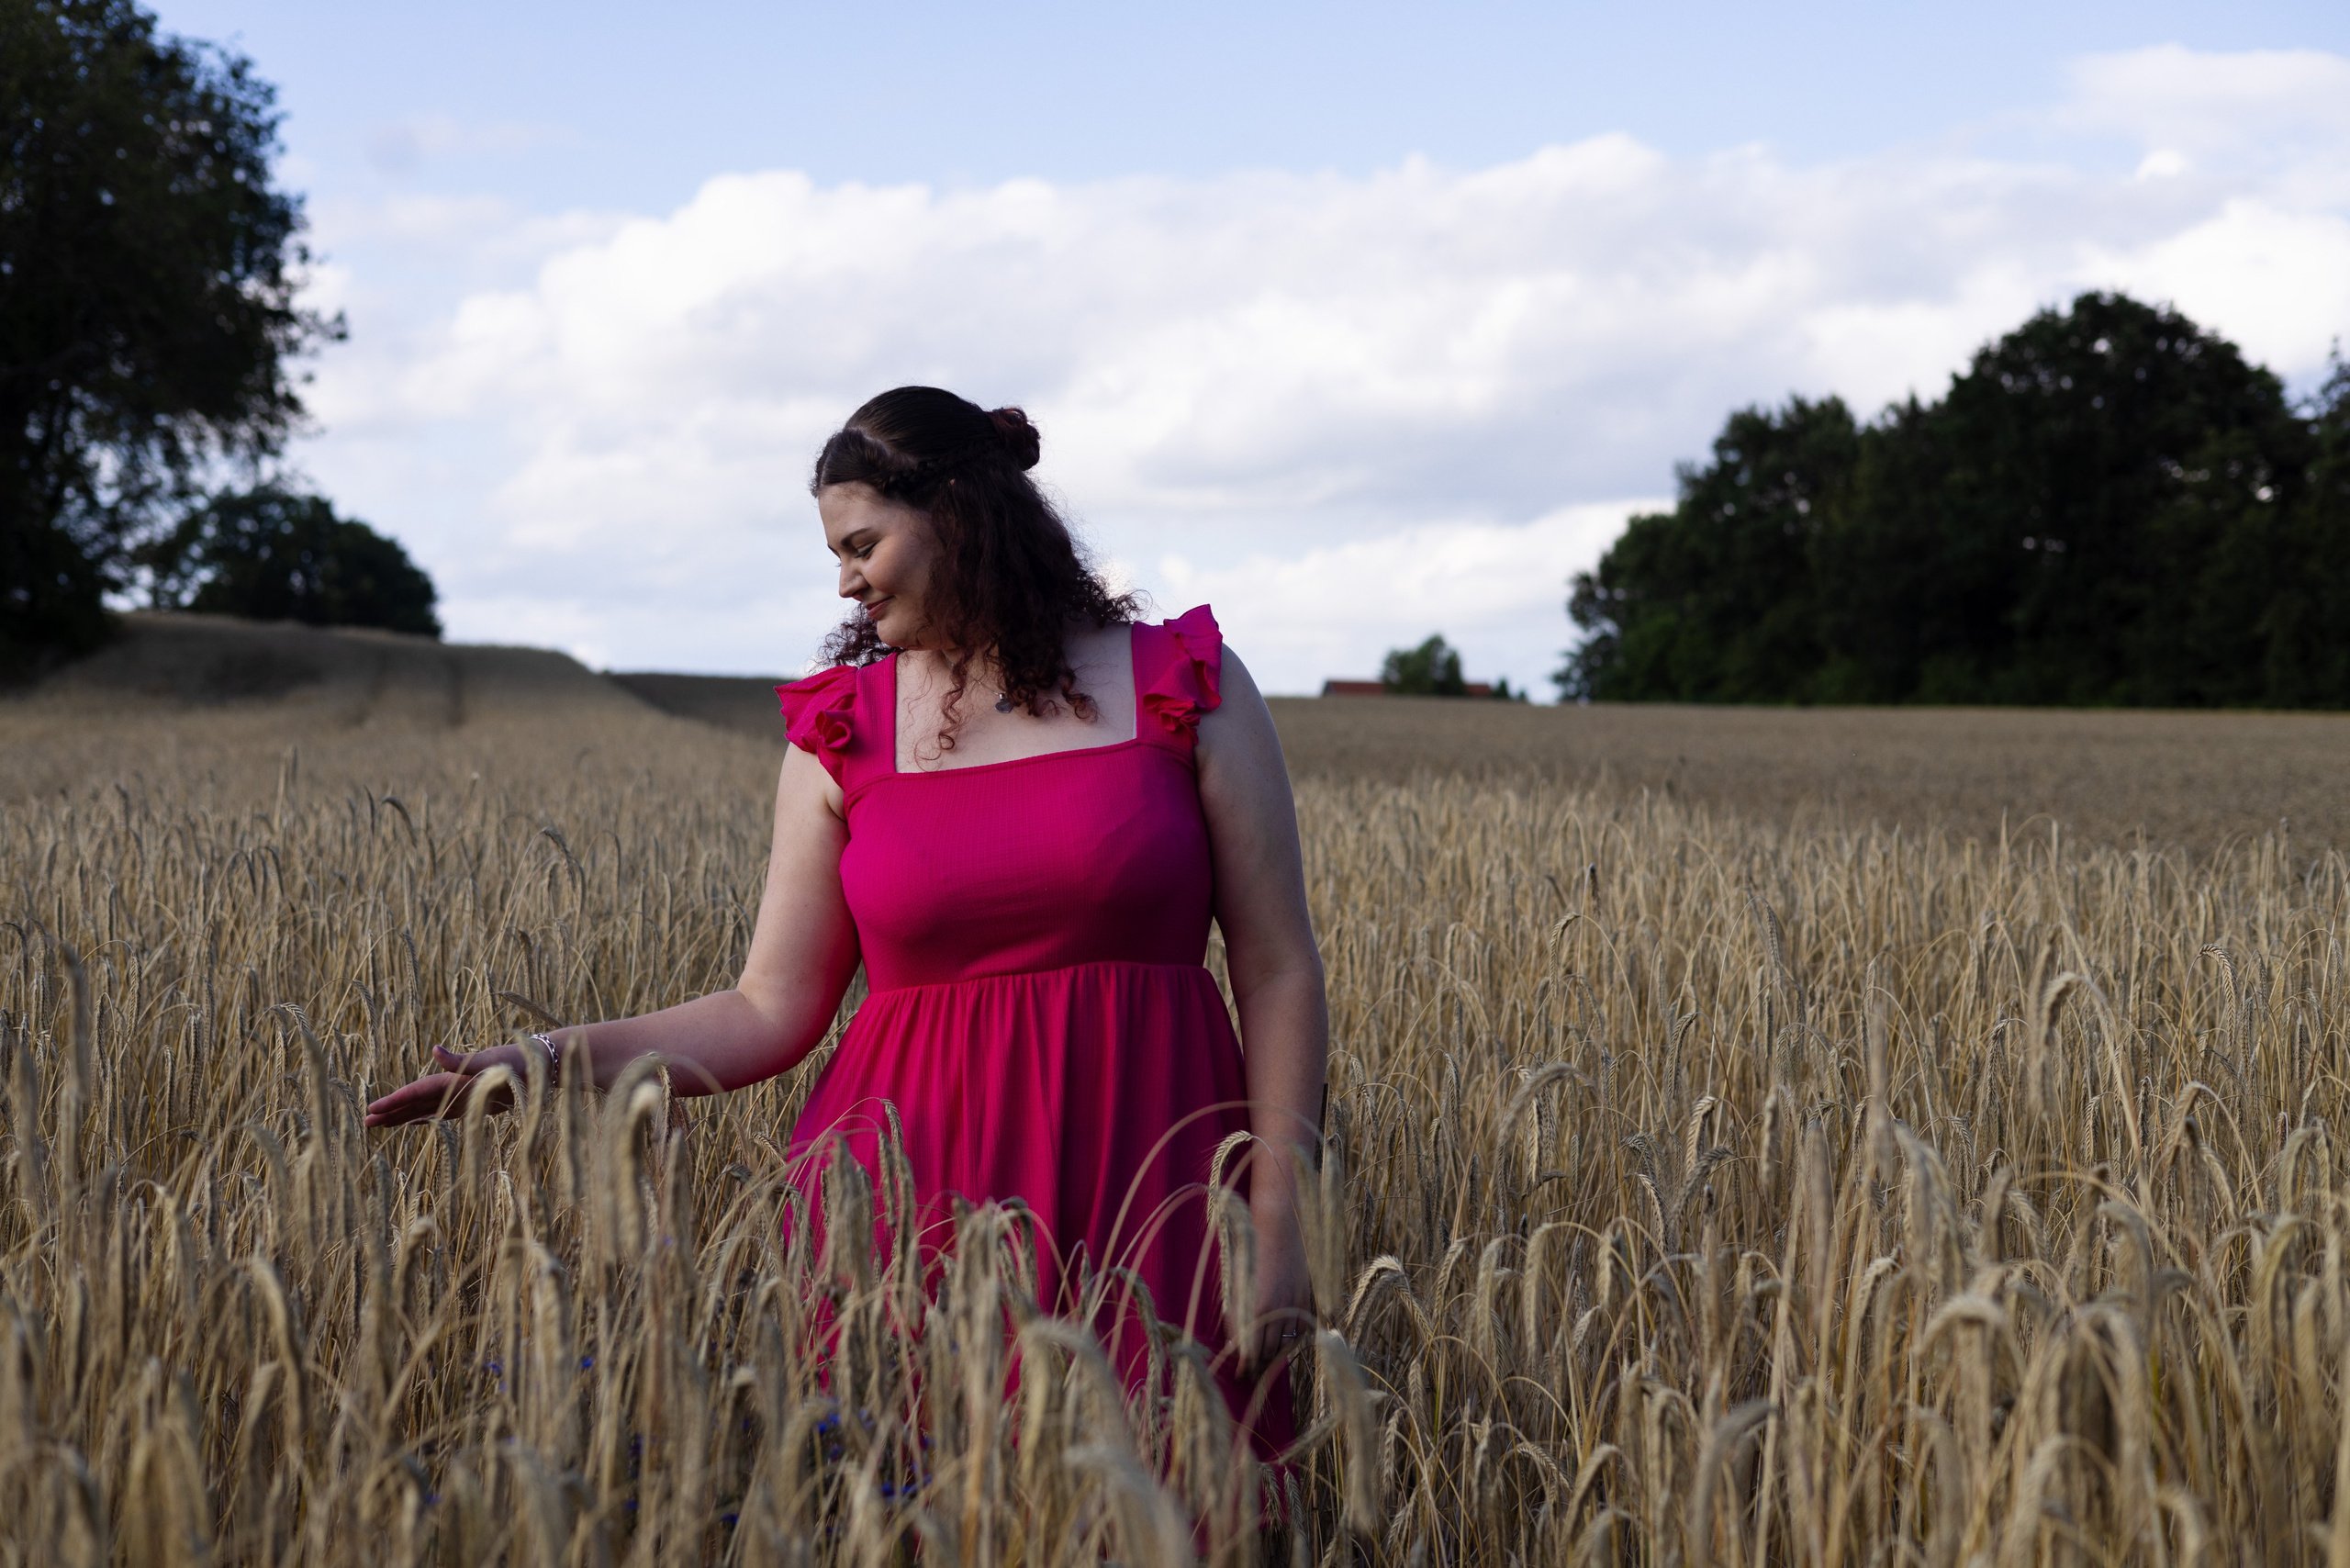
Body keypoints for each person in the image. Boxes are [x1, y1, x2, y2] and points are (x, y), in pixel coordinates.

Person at [364, 386, 1329, 1455]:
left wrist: (1281, 1216)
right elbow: (768, 1006)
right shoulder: (841, 730)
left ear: (960, 510)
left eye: (863, 542)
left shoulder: (1183, 684)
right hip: (900, 1229)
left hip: (1163, 1203)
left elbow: (1278, 966)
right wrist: (543, 1057)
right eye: (836, 553)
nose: (845, 580)